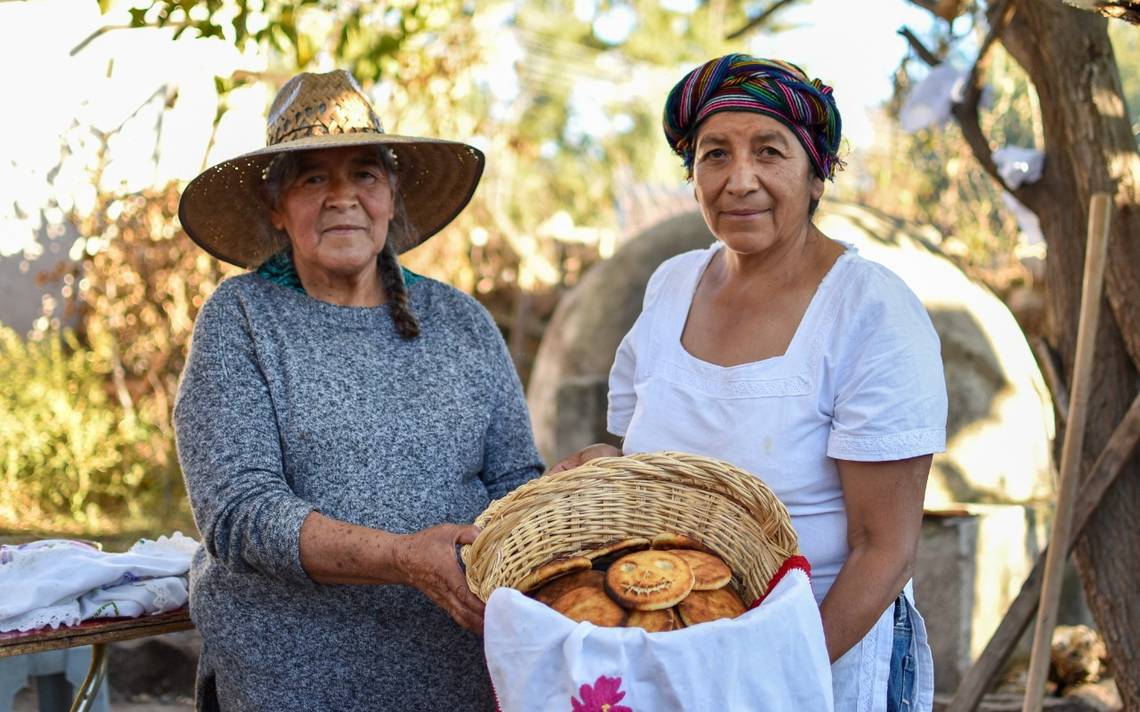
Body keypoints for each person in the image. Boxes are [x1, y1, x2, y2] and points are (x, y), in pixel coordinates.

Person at [553, 54, 947, 711]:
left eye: (769, 151)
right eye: (714, 155)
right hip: (672, 647)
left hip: (818, 656)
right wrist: (608, 469)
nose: (740, 181)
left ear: (817, 174)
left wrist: (774, 678)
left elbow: (884, 551)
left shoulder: (871, 312)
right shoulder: (671, 286)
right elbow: (649, 459)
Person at [173, 70, 543, 711]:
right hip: (290, 678)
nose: (342, 197)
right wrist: (404, 557)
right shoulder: (242, 319)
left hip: (456, 670)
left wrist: (556, 499)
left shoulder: (461, 321)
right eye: (313, 178)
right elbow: (239, 514)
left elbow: (513, 480)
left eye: (364, 174)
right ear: (276, 208)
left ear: (392, 195)